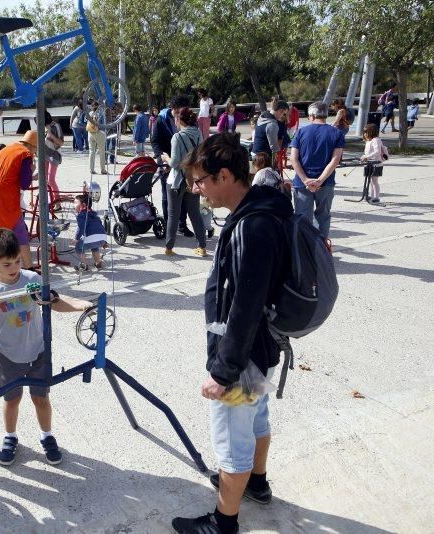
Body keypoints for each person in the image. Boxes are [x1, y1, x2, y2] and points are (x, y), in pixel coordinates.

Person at [171, 132, 292, 534]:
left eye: (201, 181)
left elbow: (245, 307)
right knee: (256, 417)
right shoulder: (261, 210)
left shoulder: (254, 227)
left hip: (241, 358)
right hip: (260, 352)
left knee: (231, 439)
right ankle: (255, 483)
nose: (196, 189)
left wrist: (223, 372)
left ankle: (224, 522)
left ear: (224, 176)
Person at [0, 229, 93, 466]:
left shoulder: (32, 280)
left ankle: (47, 435)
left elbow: (54, 302)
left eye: (17, 261)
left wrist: (78, 305)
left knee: (41, 399)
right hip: (9, 357)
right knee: (11, 400)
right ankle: (10, 436)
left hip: (38, 353)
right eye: (7, 264)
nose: (14, 267)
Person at [289, 101, 345, 240]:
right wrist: (320, 180)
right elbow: (335, 160)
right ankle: (322, 248)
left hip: (302, 183)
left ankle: (304, 249)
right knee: (323, 217)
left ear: (312, 115)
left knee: (302, 217)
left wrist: (305, 179)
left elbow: (293, 159)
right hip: (326, 183)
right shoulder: (336, 133)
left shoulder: (301, 132)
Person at [0, 130, 38, 269]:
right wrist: (32, 170)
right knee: (19, 232)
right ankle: (29, 267)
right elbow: (25, 183)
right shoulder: (25, 154)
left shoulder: (7, 148)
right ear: (32, 146)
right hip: (5, 197)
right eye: (36, 149)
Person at [165, 107, 207, 257]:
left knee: (173, 214)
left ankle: (169, 248)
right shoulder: (198, 134)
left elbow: (175, 163)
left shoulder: (177, 137)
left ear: (179, 120)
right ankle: (202, 247)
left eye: (175, 118)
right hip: (192, 179)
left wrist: (166, 158)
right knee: (195, 213)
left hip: (176, 180)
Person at [152, 95, 193, 237]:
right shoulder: (161, 120)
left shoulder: (188, 119)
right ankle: (169, 224)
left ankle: (182, 225)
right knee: (167, 195)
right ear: (173, 109)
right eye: (179, 111)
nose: (181, 115)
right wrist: (161, 159)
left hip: (184, 164)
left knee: (184, 194)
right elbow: (155, 142)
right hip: (167, 163)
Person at [73, 193, 107, 270]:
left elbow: (81, 228)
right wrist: (104, 242)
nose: (73, 205)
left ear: (83, 205)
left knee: (78, 247)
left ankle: (84, 265)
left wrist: (76, 239)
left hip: (92, 238)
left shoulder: (81, 215)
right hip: (102, 238)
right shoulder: (94, 214)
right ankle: (98, 262)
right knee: (94, 246)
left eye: (75, 203)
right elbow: (100, 226)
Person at [360, 123, 386, 205]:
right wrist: (365, 156)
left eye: (366, 132)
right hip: (369, 163)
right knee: (370, 181)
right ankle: (370, 195)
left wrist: (367, 157)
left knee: (374, 181)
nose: (365, 134)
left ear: (372, 132)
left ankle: (376, 197)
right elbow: (368, 152)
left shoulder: (376, 140)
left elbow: (377, 152)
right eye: (364, 132)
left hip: (376, 164)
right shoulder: (369, 141)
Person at [43, 111, 64, 204]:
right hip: (45, 153)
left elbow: (60, 143)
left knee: (51, 179)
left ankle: (57, 202)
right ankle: (46, 201)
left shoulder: (56, 126)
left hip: (54, 154)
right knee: (44, 179)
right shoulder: (43, 126)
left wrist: (50, 133)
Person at [87, 102, 107, 174]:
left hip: (90, 133)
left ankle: (91, 169)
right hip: (98, 133)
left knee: (91, 151)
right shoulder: (101, 113)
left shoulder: (89, 113)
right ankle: (102, 169)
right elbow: (103, 125)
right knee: (102, 151)